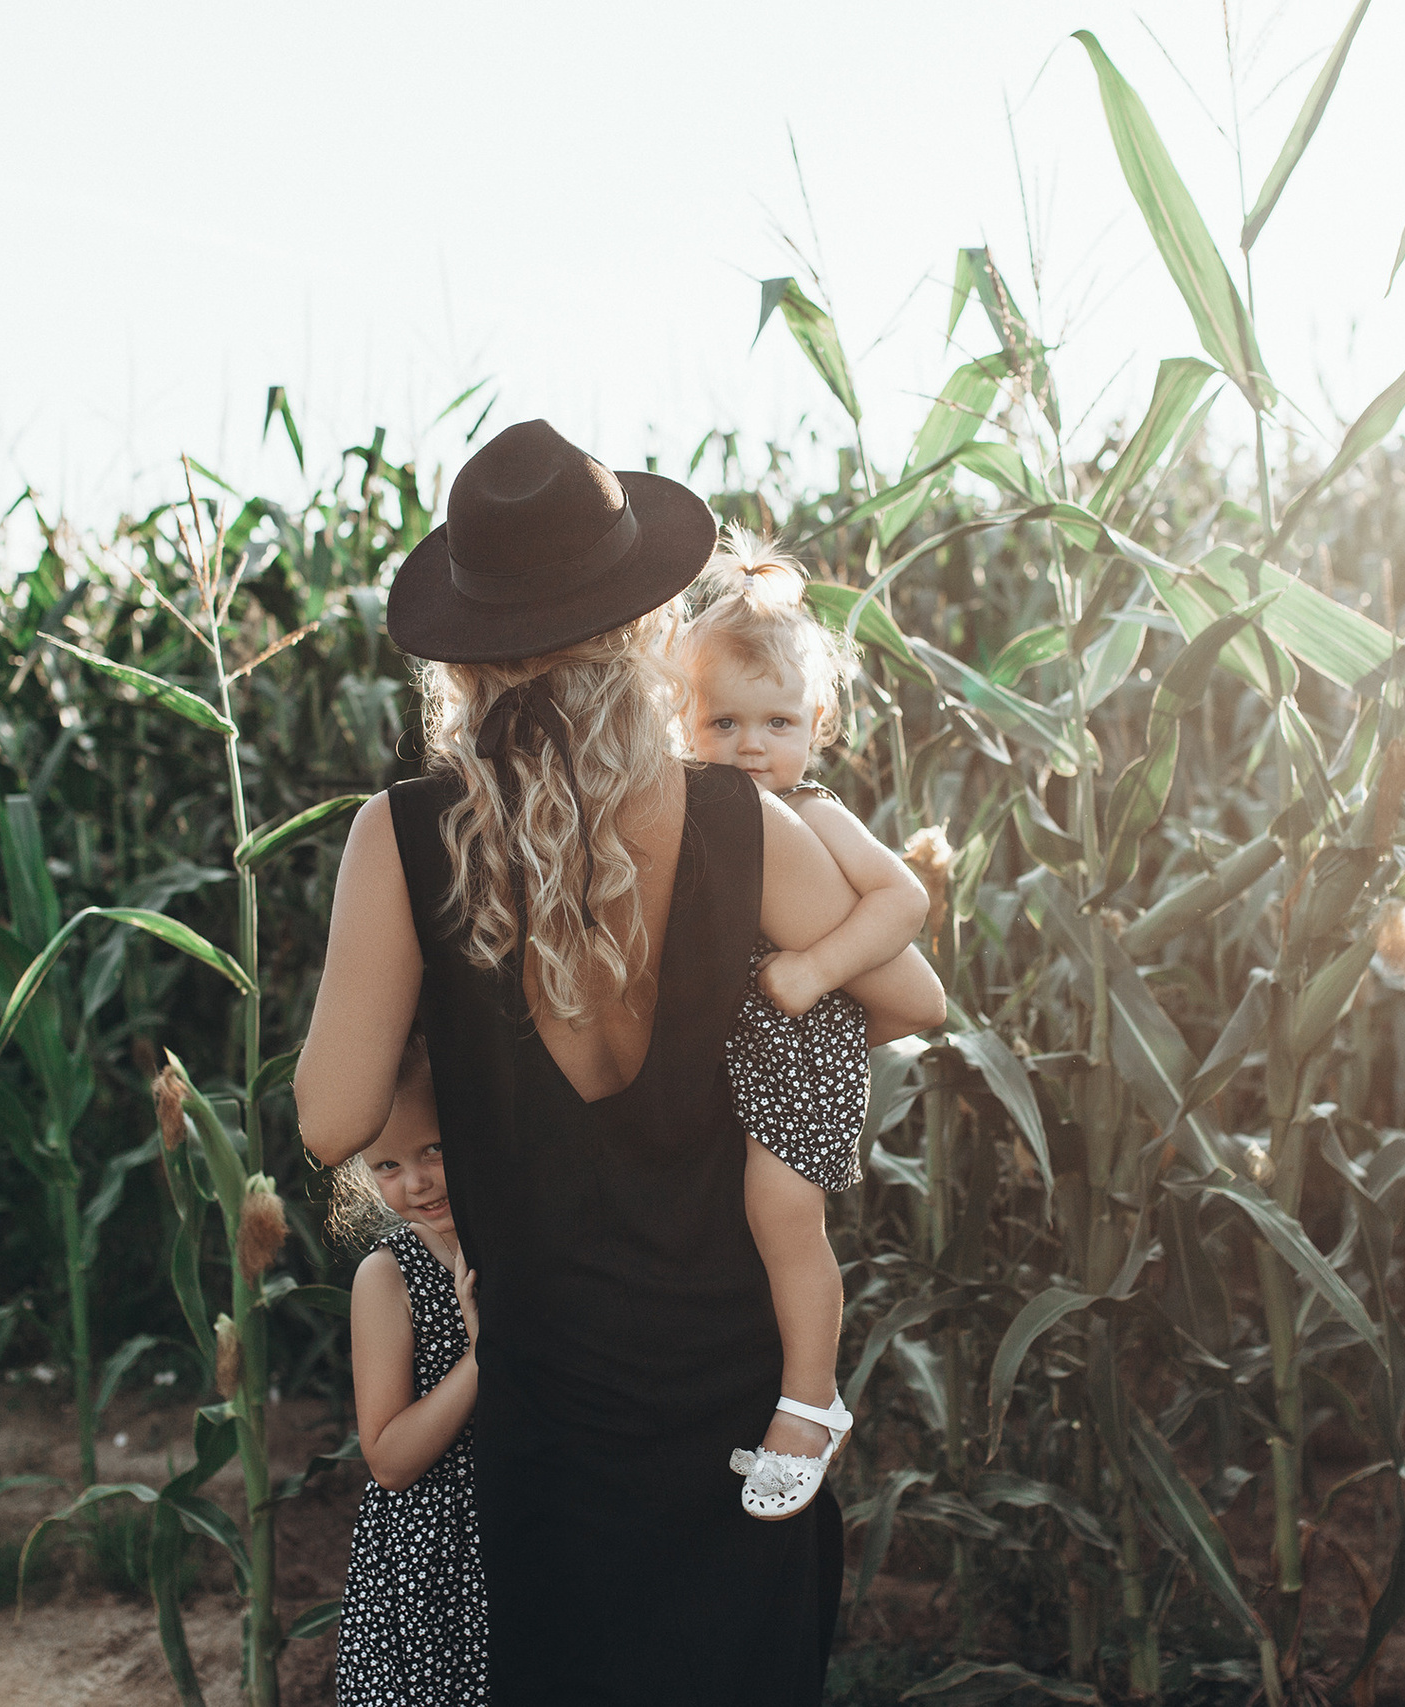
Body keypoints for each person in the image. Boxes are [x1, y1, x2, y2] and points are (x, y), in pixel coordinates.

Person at [297, 419, 944, 1705]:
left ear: (464, 658)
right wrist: (757, 1010)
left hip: (549, 1414)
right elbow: (912, 995)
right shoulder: (741, 820)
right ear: (642, 627)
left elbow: (331, 1123)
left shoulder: (404, 837)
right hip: (741, 1398)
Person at [681, 536, 932, 1521]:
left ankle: (811, 1400)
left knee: (785, 1222)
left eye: (777, 722)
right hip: (742, 1051)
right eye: (723, 721)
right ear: (682, 721)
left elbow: (902, 899)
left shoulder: (815, 814)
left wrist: (816, 967)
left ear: (818, 726)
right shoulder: (699, 809)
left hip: (804, 1049)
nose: (750, 745)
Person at [333, 1034, 487, 1706]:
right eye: (387, 1163)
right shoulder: (389, 1276)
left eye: (434, 1148)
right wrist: (485, 1357)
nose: (416, 1181)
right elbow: (389, 1459)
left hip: (529, 1527)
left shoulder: (524, 1240)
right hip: (436, 1562)